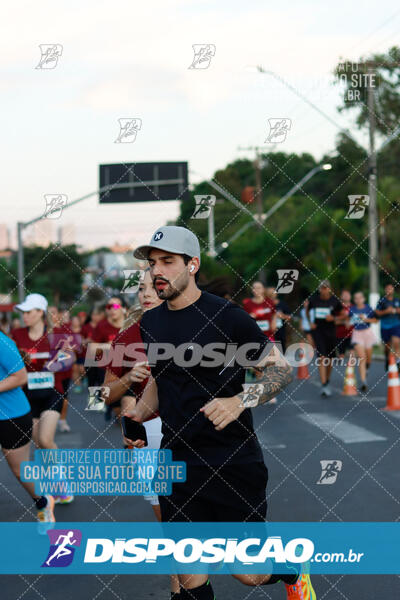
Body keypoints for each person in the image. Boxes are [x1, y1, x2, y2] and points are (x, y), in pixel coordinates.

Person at [126, 226, 315, 600]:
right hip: (177, 462)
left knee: (249, 573)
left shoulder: (227, 317)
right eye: (152, 264)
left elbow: (281, 369)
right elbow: (162, 382)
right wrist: (135, 416)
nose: (156, 272)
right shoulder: (151, 323)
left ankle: (291, 569)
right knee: (190, 579)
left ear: (192, 265)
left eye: (167, 262)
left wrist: (239, 400)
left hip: (232, 459)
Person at [103, 270, 181, 598]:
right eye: (141, 288)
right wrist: (126, 380)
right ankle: (182, 588)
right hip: (148, 433)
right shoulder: (126, 338)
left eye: (154, 286)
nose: (146, 293)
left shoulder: (189, 325)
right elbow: (104, 394)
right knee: (166, 518)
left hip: (191, 428)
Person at [12, 293, 74, 505]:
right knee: (39, 442)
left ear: (40, 312)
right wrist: (20, 358)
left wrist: (54, 361)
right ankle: (54, 478)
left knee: (46, 439)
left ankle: (61, 483)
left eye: (29, 312)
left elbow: (67, 362)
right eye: (23, 313)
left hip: (52, 393)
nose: (25, 317)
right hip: (28, 394)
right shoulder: (17, 334)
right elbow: (10, 365)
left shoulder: (57, 335)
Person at [0, 330, 55, 527]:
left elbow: (20, 376)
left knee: (20, 471)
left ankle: (43, 501)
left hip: (11, 415)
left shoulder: (2, 342)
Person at [92, 296, 128, 420]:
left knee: (125, 403)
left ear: (124, 309)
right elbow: (92, 350)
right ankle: (109, 408)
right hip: (107, 368)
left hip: (127, 369)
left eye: (116, 306)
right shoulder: (102, 326)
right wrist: (107, 346)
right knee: (115, 404)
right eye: (109, 307)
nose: (112, 310)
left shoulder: (131, 324)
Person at [307, 281, 344, 397]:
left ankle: (327, 380)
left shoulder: (335, 301)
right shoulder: (314, 300)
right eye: (322, 288)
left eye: (326, 288)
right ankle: (323, 384)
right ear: (319, 289)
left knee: (330, 359)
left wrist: (333, 317)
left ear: (330, 289)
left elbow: (343, 314)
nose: (324, 290)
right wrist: (310, 323)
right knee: (322, 357)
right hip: (318, 331)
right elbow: (307, 312)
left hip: (331, 332)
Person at [348, 292, 377, 392]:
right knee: (362, 357)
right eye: (356, 298)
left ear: (363, 299)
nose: (358, 300)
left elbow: (375, 320)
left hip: (368, 333)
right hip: (357, 334)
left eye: (360, 297)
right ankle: (364, 381)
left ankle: (367, 369)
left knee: (368, 359)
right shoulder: (352, 310)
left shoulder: (368, 308)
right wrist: (349, 322)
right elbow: (348, 322)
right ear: (354, 300)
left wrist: (366, 319)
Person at [375, 283, 400, 370]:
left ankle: (397, 363)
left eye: (391, 288)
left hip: (396, 325)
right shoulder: (381, 301)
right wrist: (386, 311)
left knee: (396, 342)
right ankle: (387, 359)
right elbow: (377, 312)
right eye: (387, 288)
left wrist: (397, 311)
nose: (389, 290)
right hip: (385, 327)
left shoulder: (397, 300)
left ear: (393, 290)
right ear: (385, 290)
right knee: (387, 347)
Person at [82, 306, 106, 391]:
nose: (95, 317)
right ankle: (92, 400)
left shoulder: (104, 325)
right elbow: (81, 342)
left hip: (102, 358)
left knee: (101, 381)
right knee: (91, 381)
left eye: (98, 314)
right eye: (93, 314)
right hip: (90, 357)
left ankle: (99, 401)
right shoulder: (86, 327)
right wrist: (87, 341)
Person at [266, 287, 291, 353]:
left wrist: (282, 316)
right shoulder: (264, 304)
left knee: (281, 352)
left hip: (280, 333)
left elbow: (289, 317)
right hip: (267, 333)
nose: (271, 294)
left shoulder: (282, 304)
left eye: (273, 292)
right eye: (269, 292)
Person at [335, 290, 353, 359]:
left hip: (352, 334)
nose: (346, 296)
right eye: (344, 295)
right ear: (341, 297)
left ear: (350, 296)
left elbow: (357, 321)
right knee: (341, 356)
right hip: (340, 335)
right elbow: (334, 321)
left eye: (347, 294)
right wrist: (343, 322)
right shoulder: (337, 307)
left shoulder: (354, 307)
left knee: (352, 353)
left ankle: (350, 369)